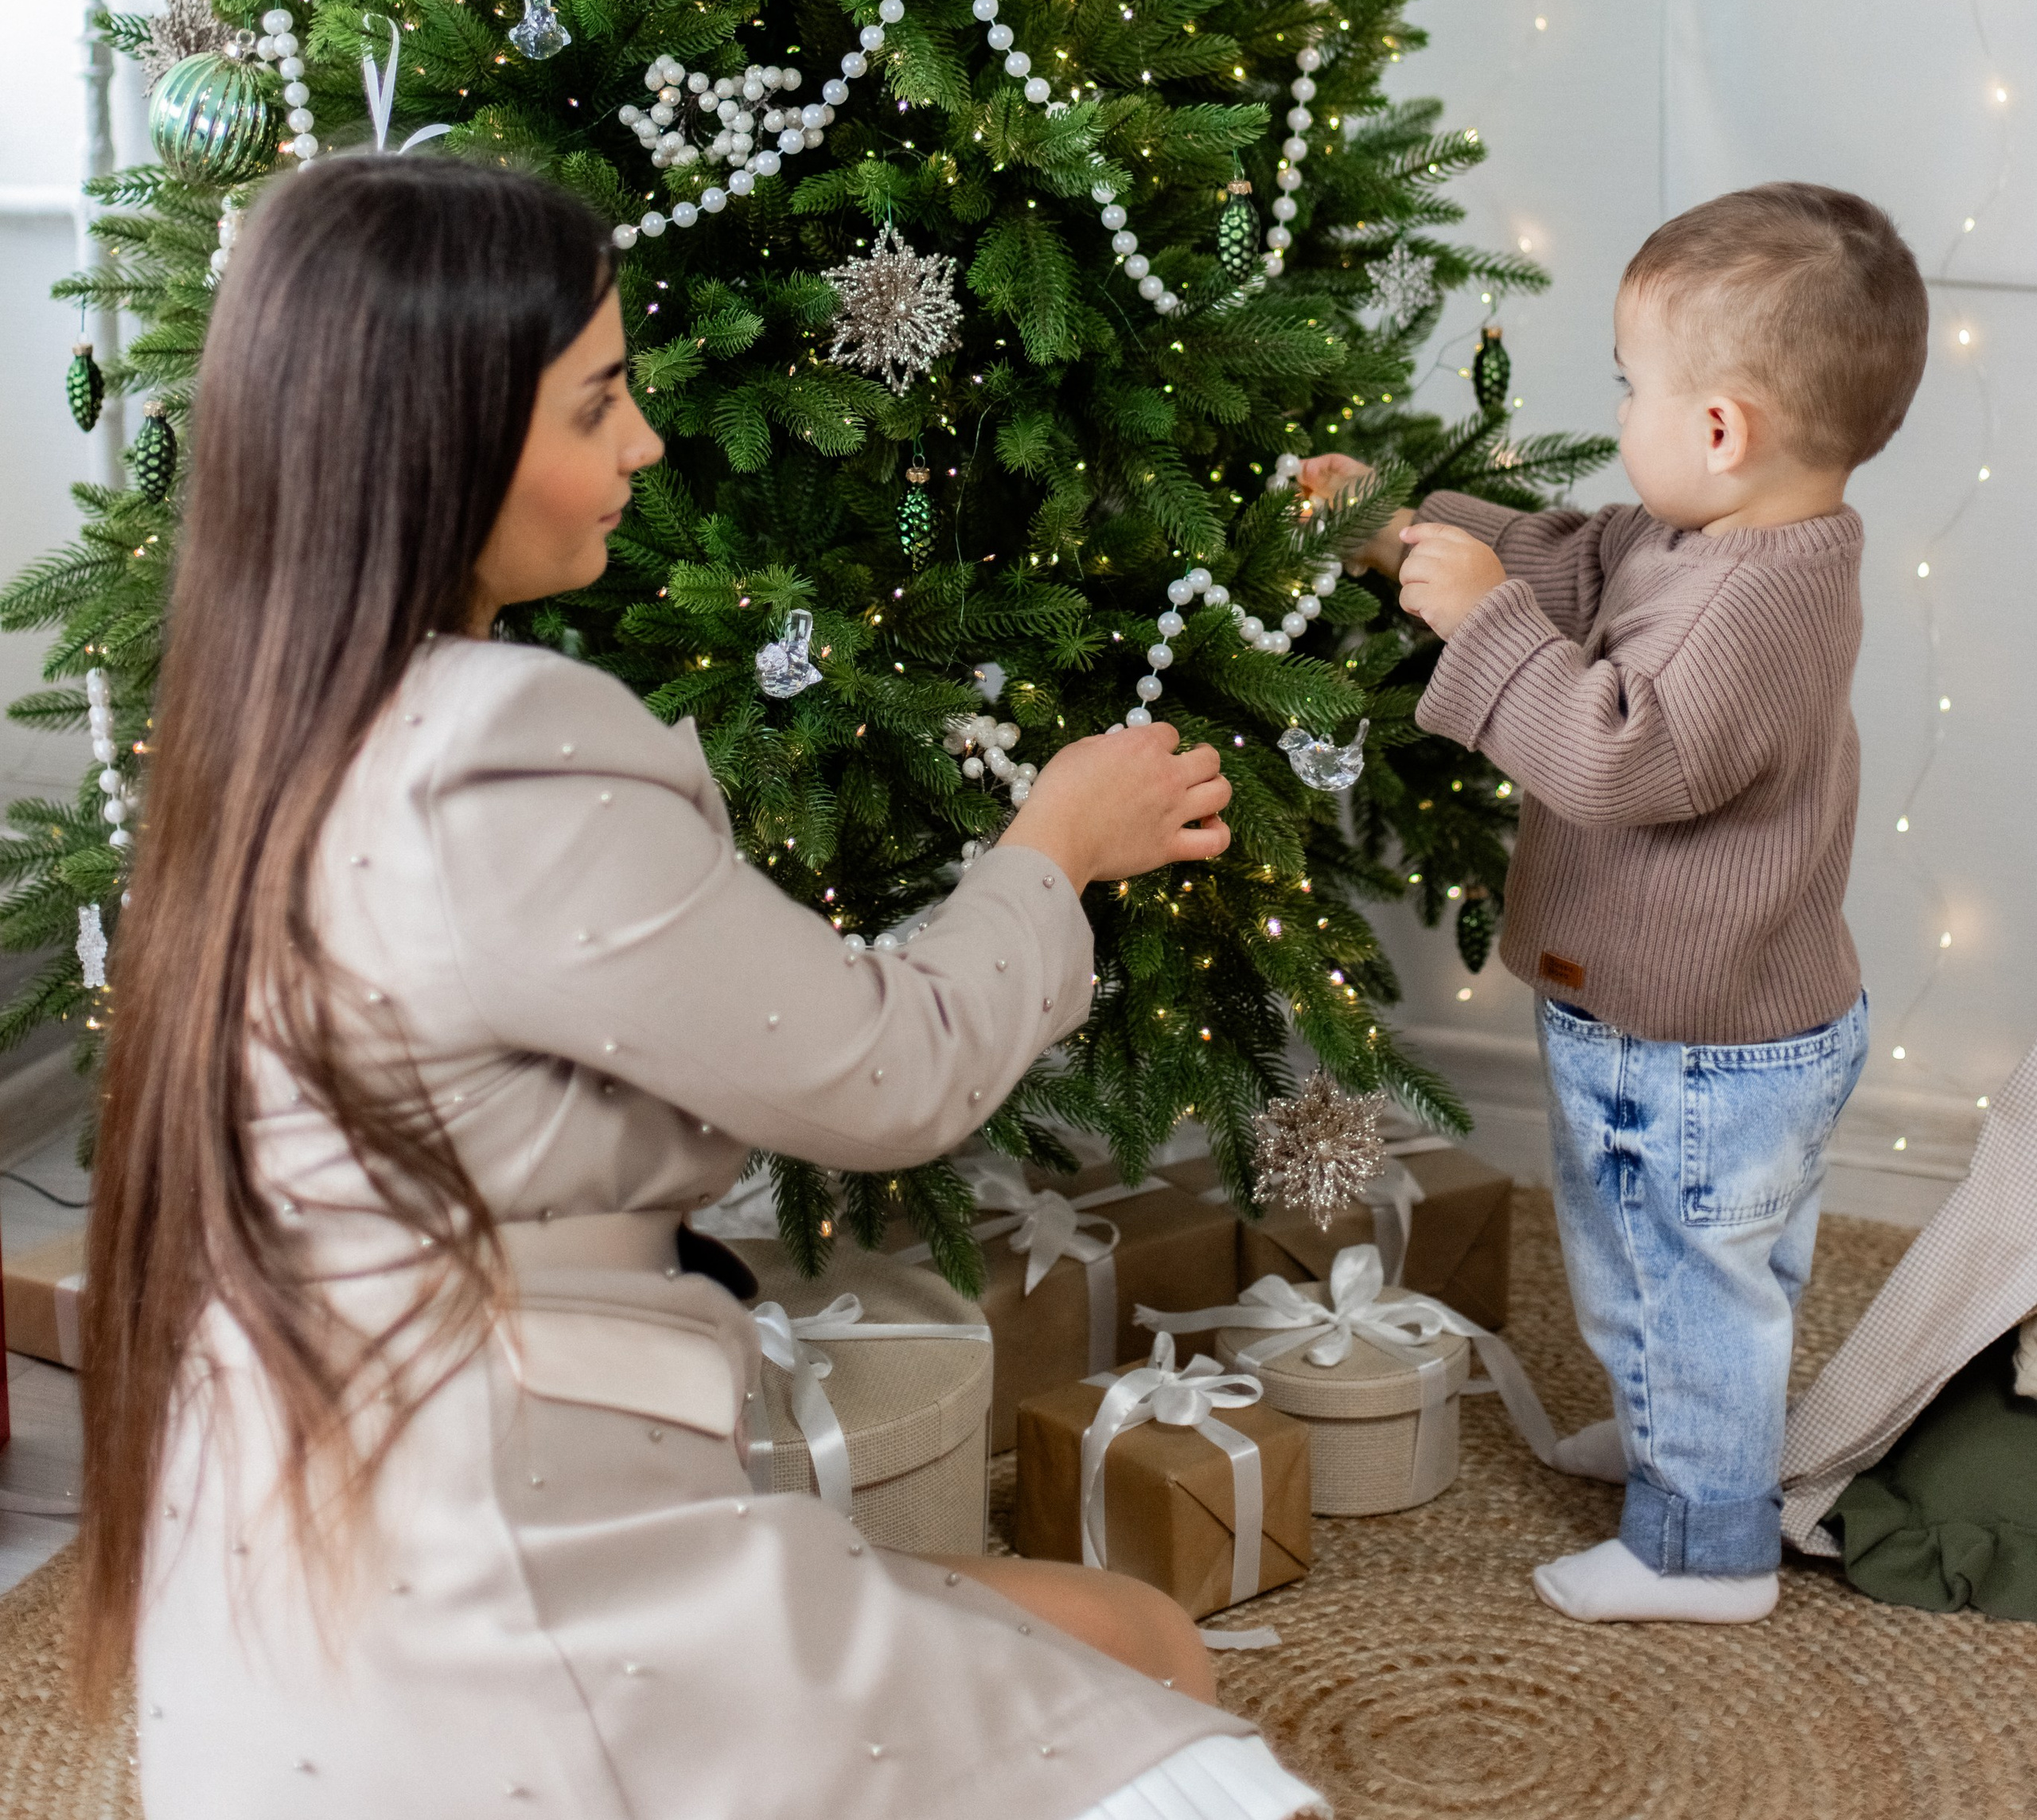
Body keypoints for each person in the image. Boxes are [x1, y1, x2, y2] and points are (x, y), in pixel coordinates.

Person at [78, 154, 1323, 1820]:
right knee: (1165, 1705)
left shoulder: (256, 734)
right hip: (506, 1621)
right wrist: (1053, 847)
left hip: (292, 1604)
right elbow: (894, 1070)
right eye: (597, 403)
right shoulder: (498, 754)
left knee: (1128, 1632)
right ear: (434, 436)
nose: (648, 444)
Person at [1305, 183, 1928, 1625]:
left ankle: (1701, 1547)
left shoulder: (1752, 606)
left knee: (1679, 1278)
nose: (1622, 411)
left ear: (1720, 429)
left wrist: (1481, 622)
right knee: (1681, 1269)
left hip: (1694, 1042)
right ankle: (1686, 1451)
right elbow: (1578, 557)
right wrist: (1409, 534)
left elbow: (1615, 753)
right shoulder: (1707, 538)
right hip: (1715, 1018)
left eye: (1631, 384)